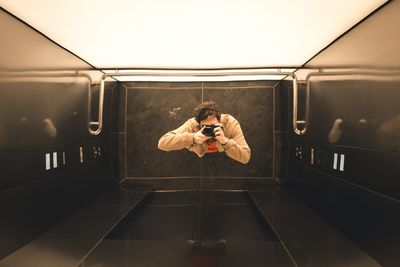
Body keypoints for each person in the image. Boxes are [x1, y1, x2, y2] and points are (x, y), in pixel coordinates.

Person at [158, 101, 251, 164]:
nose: (210, 130)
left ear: (220, 121)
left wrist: (225, 142)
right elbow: (162, 143)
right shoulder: (192, 124)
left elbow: (245, 157)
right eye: (206, 127)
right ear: (198, 124)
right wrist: (192, 138)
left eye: (214, 126)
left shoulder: (229, 123)